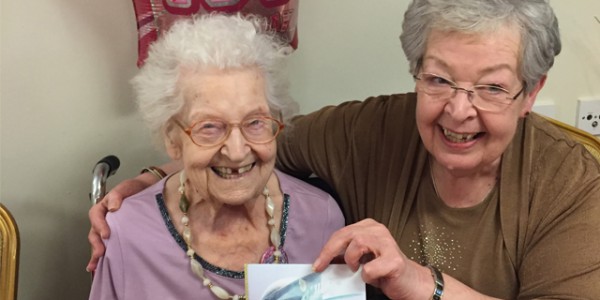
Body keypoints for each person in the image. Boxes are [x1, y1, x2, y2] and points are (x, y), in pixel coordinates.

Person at [89, 0, 600, 299]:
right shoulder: (365, 132)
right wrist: (153, 176)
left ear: (531, 92)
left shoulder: (571, 184)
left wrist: (418, 281)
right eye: (439, 79)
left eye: (491, 88)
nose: (458, 111)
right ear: (416, 72)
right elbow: (252, 144)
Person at [88, 13, 345, 300]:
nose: (236, 152)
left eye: (255, 122)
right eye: (209, 127)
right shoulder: (130, 233)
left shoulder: (320, 217)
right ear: (173, 140)